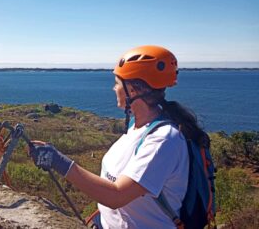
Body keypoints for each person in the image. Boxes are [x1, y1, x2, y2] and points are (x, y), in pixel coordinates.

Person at [30, 45, 210, 229]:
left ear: (133, 89)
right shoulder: (137, 127)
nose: (114, 88)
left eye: (117, 83)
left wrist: (57, 161)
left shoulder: (164, 140)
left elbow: (116, 196)